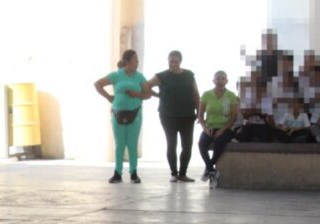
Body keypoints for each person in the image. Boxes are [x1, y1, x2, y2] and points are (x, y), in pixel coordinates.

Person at [95, 49, 150, 184]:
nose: (137, 62)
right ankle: (117, 173)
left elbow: (147, 94)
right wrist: (109, 97)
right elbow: (98, 84)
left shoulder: (139, 77)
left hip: (135, 113)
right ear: (127, 62)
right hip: (117, 113)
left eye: (137, 60)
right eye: (135, 59)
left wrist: (136, 94)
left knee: (132, 144)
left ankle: (134, 173)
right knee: (119, 144)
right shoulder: (116, 75)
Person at [146, 50, 200, 182]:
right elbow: (145, 86)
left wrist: (199, 112)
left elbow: (196, 94)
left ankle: (183, 173)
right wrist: (158, 95)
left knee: (187, 145)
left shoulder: (189, 75)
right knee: (172, 144)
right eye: (171, 61)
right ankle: (174, 174)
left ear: (180, 62)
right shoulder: (161, 76)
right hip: (167, 115)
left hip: (187, 115)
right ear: (168, 61)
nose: (173, 64)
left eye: (176, 62)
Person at [198, 71, 239, 183]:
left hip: (225, 128)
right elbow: (200, 116)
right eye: (218, 78)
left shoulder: (231, 96)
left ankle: (208, 168)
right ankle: (211, 169)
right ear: (213, 80)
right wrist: (205, 129)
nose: (220, 80)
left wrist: (222, 130)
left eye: (223, 78)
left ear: (226, 81)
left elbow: (233, 117)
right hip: (209, 127)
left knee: (219, 142)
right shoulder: (206, 94)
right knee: (202, 143)